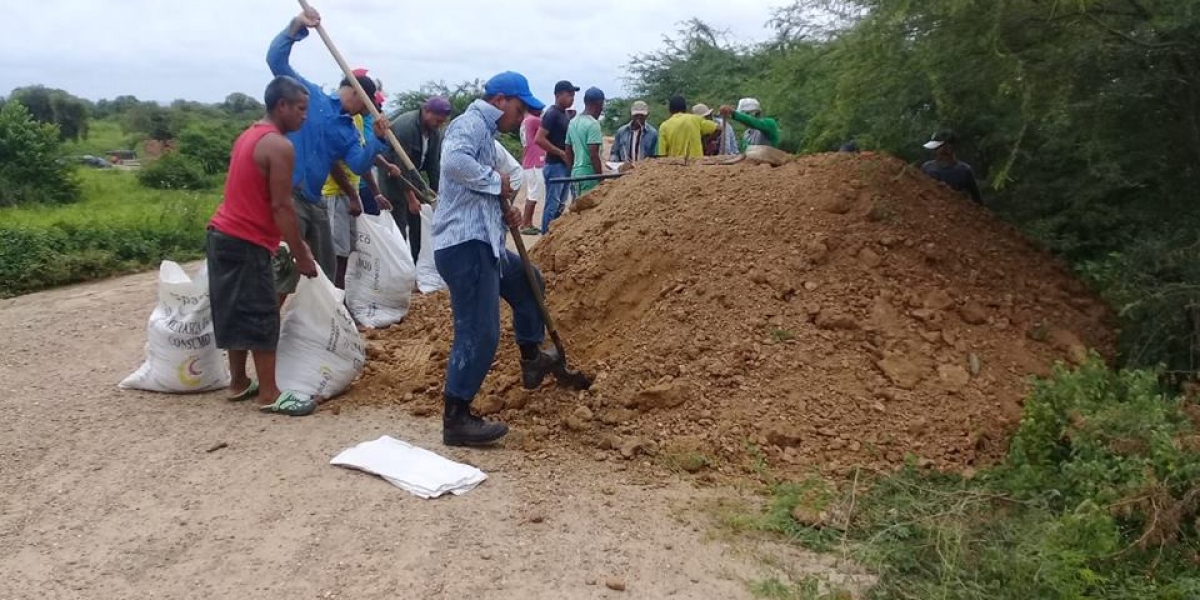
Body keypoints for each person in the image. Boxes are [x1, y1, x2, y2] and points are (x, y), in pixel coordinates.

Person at [433, 71, 562, 446]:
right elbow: (454, 163)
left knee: (528, 278)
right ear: (500, 99)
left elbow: (516, 175)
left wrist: (503, 203)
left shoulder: (488, 138)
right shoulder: (469, 123)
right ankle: (456, 418)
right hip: (464, 245)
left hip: (485, 240)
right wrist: (495, 183)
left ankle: (531, 356)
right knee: (480, 331)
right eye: (519, 109)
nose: (521, 118)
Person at [206, 75, 319, 417]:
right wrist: (301, 254)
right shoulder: (279, 145)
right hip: (245, 241)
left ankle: (238, 382)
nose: (304, 116)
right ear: (281, 106)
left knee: (235, 310)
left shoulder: (249, 135)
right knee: (262, 312)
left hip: (221, 234)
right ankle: (269, 393)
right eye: (300, 109)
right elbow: (281, 206)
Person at [266, 6, 390, 279]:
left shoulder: (348, 132)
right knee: (286, 270)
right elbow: (276, 61)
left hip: (314, 198)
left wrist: (377, 140)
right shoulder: (310, 95)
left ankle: (324, 317)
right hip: (289, 194)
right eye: (367, 105)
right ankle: (272, 320)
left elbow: (357, 165)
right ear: (359, 95)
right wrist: (295, 27)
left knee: (326, 269)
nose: (367, 112)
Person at [381, 96, 452, 263]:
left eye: (442, 122)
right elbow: (401, 165)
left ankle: (414, 265)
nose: (439, 125)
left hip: (414, 178)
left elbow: (433, 165)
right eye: (437, 120)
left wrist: (438, 194)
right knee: (399, 224)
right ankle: (397, 267)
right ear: (426, 111)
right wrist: (411, 198)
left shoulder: (435, 131)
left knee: (418, 224)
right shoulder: (406, 128)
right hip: (393, 178)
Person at [535, 80, 577, 234]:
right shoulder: (551, 114)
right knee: (552, 205)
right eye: (569, 95)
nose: (572, 98)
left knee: (560, 204)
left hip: (564, 165)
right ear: (558, 95)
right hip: (555, 166)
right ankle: (545, 236)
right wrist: (560, 153)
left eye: (573, 95)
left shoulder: (564, 113)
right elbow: (539, 139)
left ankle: (553, 236)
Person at [921, 130, 983, 204]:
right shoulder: (927, 168)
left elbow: (977, 200)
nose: (937, 151)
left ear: (949, 147)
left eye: (938, 148)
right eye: (935, 149)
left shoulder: (964, 171)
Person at [566, 87, 605, 196]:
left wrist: (571, 173)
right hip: (589, 175)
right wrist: (600, 179)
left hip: (575, 174)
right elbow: (594, 154)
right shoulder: (593, 124)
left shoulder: (572, 122)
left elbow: (568, 151)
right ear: (598, 104)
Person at [518, 108, 545, 235]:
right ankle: (525, 224)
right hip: (535, 161)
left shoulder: (525, 121)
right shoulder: (534, 120)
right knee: (533, 194)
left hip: (528, 161)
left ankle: (527, 223)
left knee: (532, 193)